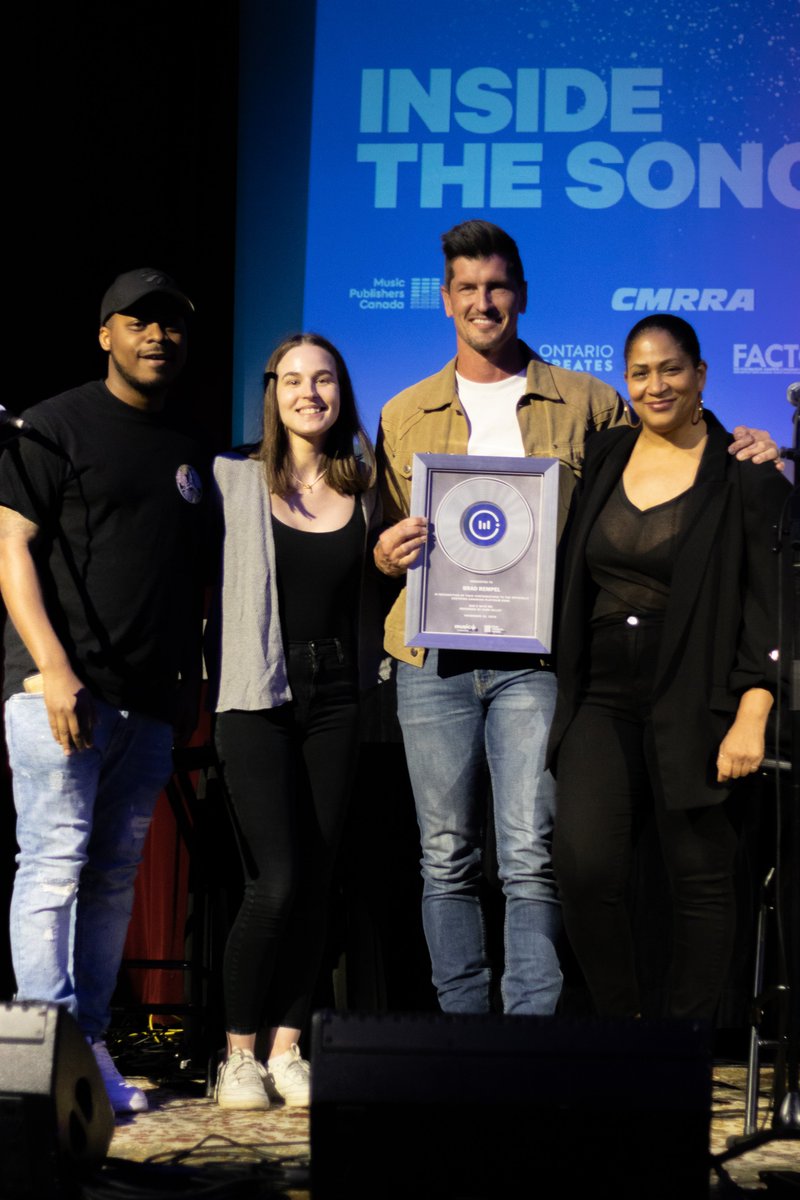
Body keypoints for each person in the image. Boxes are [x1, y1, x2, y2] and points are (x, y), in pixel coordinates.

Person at [374, 219, 780, 1016]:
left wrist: (752, 444)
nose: (483, 302)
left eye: (496, 287)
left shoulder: (591, 404)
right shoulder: (401, 412)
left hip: (536, 665)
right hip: (432, 663)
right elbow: (391, 535)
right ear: (445, 299)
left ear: (519, 295)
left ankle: (533, 1034)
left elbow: (674, 454)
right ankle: (462, 1033)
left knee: (533, 857)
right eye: (467, 288)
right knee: (445, 856)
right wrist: (386, 557)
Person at [0, 268, 208, 1111]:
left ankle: (87, 1053)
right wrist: (50, 667)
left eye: (171, 325)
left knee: (114, 876)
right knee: (52, 867)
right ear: (105, 334)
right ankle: (41, 1057)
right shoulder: (53, 427)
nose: (157, 337)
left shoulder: (188, 446)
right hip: (62, 694)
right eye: (138, 322)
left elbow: (184, 576)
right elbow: (10, 550)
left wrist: (188, 680)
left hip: (148, 705)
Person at [546, 314, 789, 1018]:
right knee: (585, 869)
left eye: (672, 369)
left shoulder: (745, 472)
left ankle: (680, 1043)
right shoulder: (607, 453)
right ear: (626, 381)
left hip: (699, 695)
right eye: (641, 372)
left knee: (700, 878)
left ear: (702, 375)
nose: (657, 385)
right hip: (602, 694)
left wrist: (752, 713)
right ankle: (624, 1031)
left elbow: (770, 610)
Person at [209, 333, 379, 1110]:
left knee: (315, 883)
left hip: (337, 697)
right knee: (273, 882)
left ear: (342, 390)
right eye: (295, 381)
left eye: (326, 379)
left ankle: (286, 1049)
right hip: (255, 695)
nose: (311, 393)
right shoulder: (232, 480)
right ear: (272, 392)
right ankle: (237, 1055)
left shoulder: (369, 486)